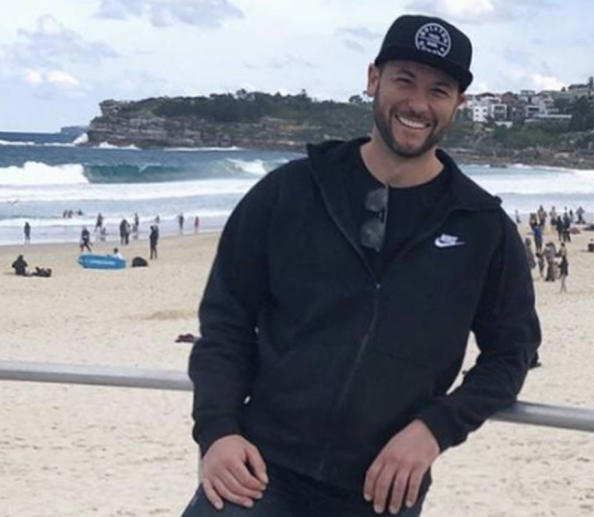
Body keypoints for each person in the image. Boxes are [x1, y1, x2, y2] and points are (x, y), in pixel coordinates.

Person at [183, 15, 540, 517]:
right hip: (259, 472)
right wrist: (217, 431)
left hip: (381, 490)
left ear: (458, 105)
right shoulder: (289, 193)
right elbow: (225, 323)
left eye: (439, 90)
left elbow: (512, 353)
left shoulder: (482, 226)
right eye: (404, 80)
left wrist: (435, 430)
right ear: (373, 79)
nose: (418, 104)